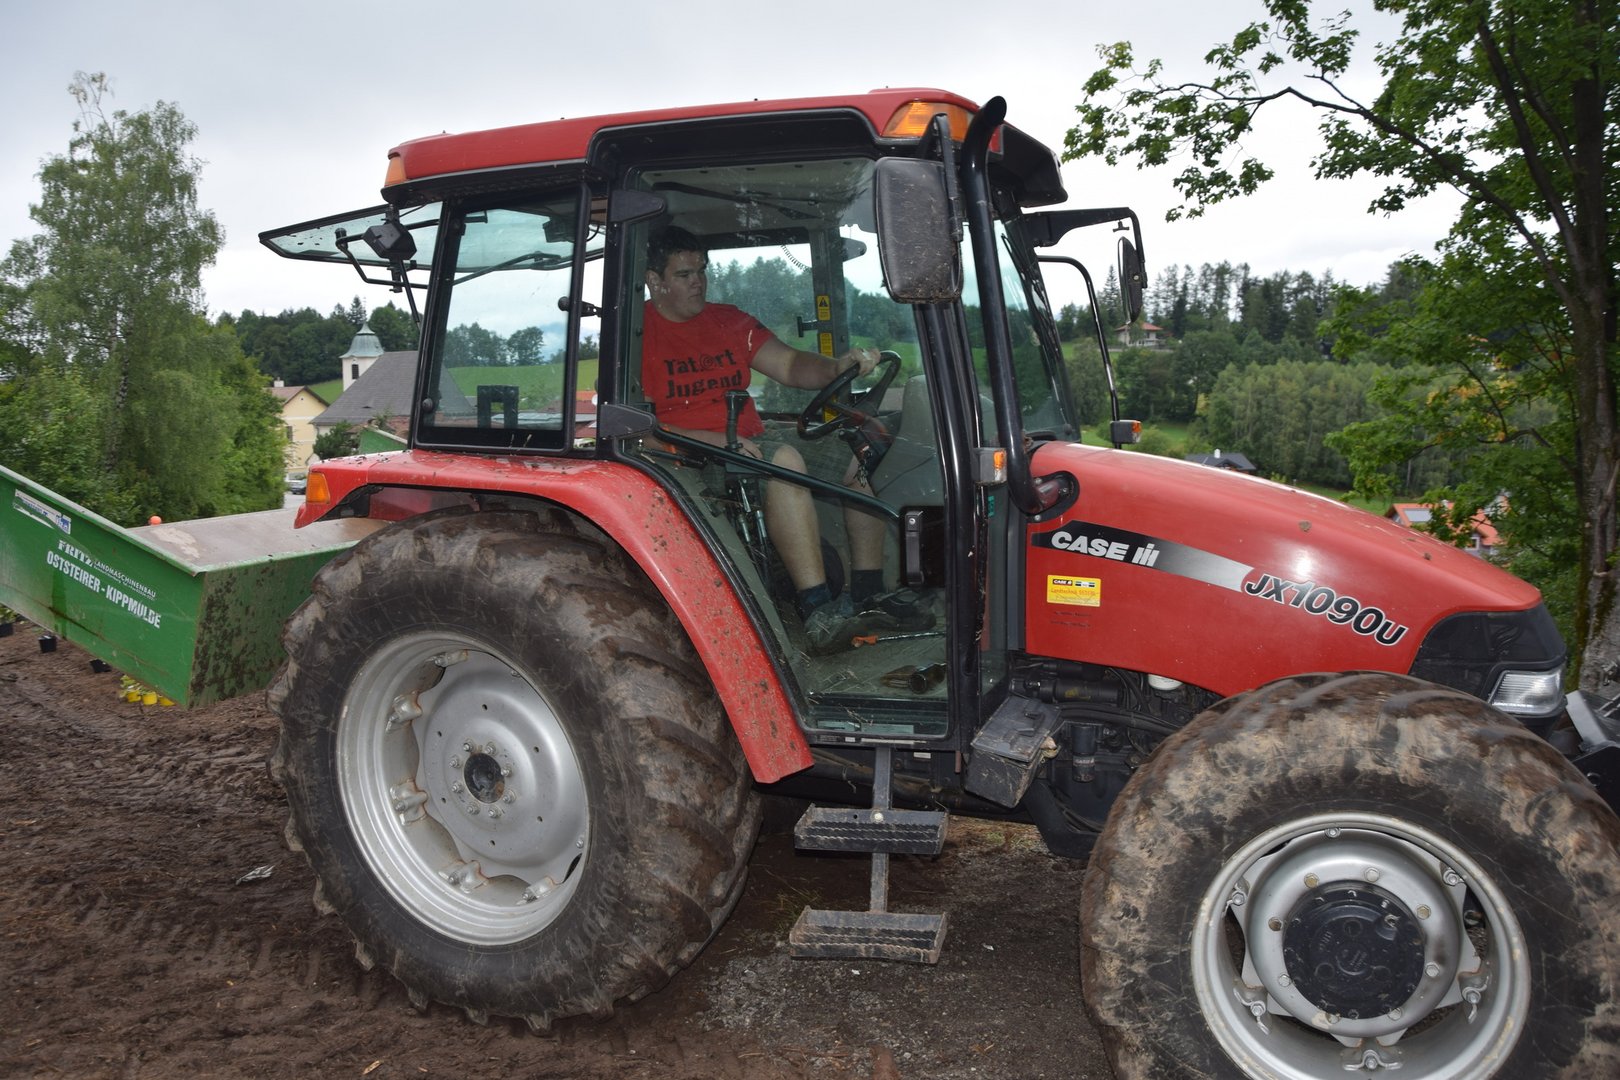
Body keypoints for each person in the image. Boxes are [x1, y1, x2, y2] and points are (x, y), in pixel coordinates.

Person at [641, 226, 931, 654]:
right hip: (688, 457)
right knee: (785, 461)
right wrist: (712, 441)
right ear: (655, 281)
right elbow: (638, 430)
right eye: (684, 275)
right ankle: (817, 610)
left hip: (749, 440)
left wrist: (836, 368)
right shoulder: (635, 335)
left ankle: (868, 593)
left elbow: (792, 365)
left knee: (854, 454)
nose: (698, 282)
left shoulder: (728, 321)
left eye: (701, 271)